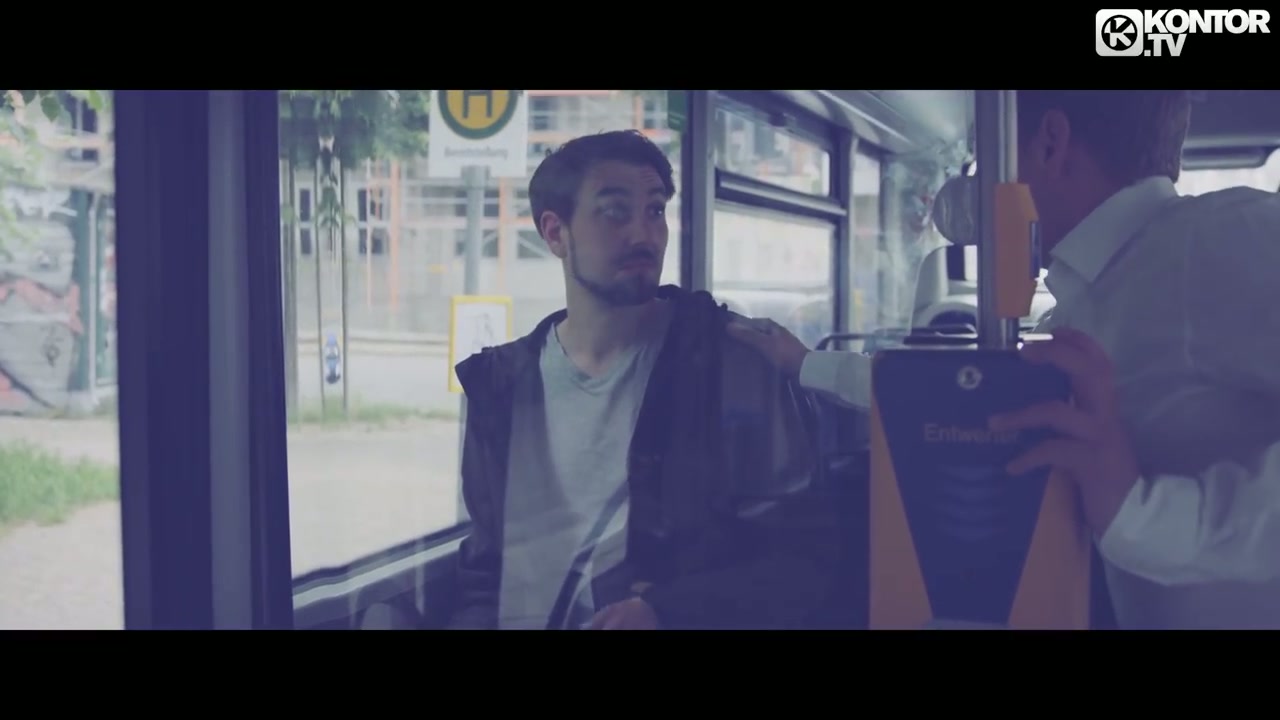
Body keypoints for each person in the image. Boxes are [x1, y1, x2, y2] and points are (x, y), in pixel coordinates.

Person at [729, 90, 1280, 629]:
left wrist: (1142, 513)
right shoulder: (1095, 295)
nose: (981, 185)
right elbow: (960, 397)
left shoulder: (1219, 238)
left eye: (990, 157)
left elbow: (1134, 513)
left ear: (1050, 143)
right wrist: (805, 363)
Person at [448, 130, 839, 630]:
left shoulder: (730, 362)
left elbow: (802, 562)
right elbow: (486, 577)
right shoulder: (502, 386)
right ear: (555, 233)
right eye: (615, 212)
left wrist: (667, 613)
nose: (644, 234)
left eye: (655, 210)